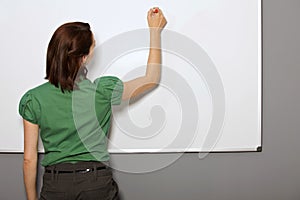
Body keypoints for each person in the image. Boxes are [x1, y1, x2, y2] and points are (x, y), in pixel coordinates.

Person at [18, 8, 167, 200]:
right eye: (92, 46)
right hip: (95, 182)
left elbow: (29, 159)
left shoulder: (34, 99)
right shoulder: (102, 92)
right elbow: (151, 78)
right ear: (83, 58)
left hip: (56, 184)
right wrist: (155, 31)